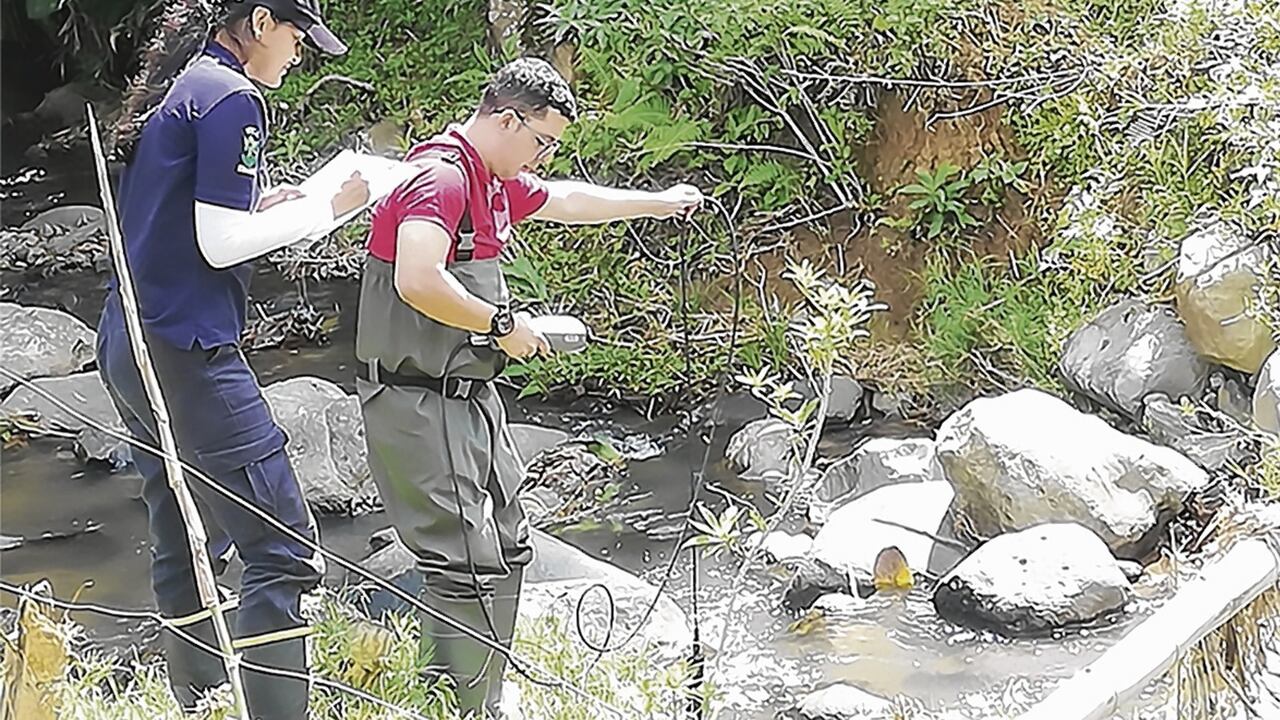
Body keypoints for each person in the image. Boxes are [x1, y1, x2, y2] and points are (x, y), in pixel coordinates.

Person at [354, 56, 703, 719]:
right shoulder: (438, 181)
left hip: (469, 397)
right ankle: (454, 708)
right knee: (462, 564)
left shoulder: (492, 179)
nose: (543, 156)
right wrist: (505, 325)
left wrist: (660, 203)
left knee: (511, 544)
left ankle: (481, 695)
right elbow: (417, 279)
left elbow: (569, 199)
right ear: (506, 119)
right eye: (540, 140)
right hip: (416, 399)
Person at [96, 1, 368, 717]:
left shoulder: (185, 84)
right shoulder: (233, 99)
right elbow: (218, 246)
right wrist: (327, 209)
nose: (300, 52)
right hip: (188, 351)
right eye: (297, 35)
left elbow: (186, 215)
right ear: (258, 22)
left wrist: (268, 206)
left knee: (183, 531)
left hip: (128, 342)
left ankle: (202, 701)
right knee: (282, 548)